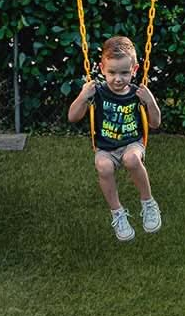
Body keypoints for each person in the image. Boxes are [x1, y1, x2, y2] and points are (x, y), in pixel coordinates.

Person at [67, 36, 163, 242]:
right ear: (102, 68)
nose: (118, 79)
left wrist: (151, 101)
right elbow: (73, 117)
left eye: (124, 73)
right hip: (105, 148)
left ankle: (148, 203)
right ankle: (117, 212)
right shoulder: (97, 93)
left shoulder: (138, 93)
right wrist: (83, 96)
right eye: (111, 72)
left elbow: (154, 123)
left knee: (131, 160)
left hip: (132, 144)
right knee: (103, 166)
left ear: (134, 70)